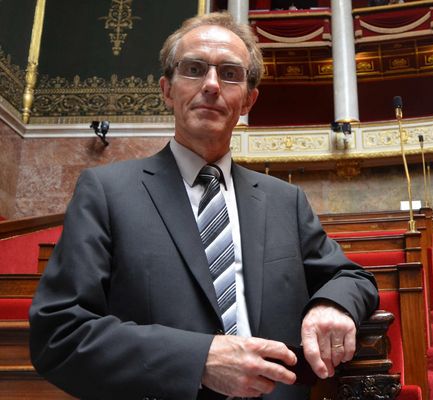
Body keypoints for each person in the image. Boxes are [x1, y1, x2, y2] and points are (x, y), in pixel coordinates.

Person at [29, 12, 379, 400]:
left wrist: (331, 305)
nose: (211, 85)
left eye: (230, 73)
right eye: (194, 69)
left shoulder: (285, 200)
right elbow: (59, 333)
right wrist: (198, 359)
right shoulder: (107, 192)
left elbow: (353, 278)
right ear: (167, 89)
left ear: (248, 100)